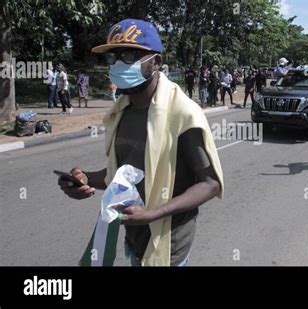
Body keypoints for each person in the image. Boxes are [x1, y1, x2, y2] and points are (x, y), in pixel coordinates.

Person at [57, 19, 224, 267]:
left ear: (155, 62)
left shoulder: (182, 114)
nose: (117, 64)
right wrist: (84, 180)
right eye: (113, 58)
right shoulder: (121, 111)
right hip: (134, 237)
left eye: (129, 56)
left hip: (168, 245)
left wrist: (154, 214)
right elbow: (124, 173)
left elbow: (210, 184)